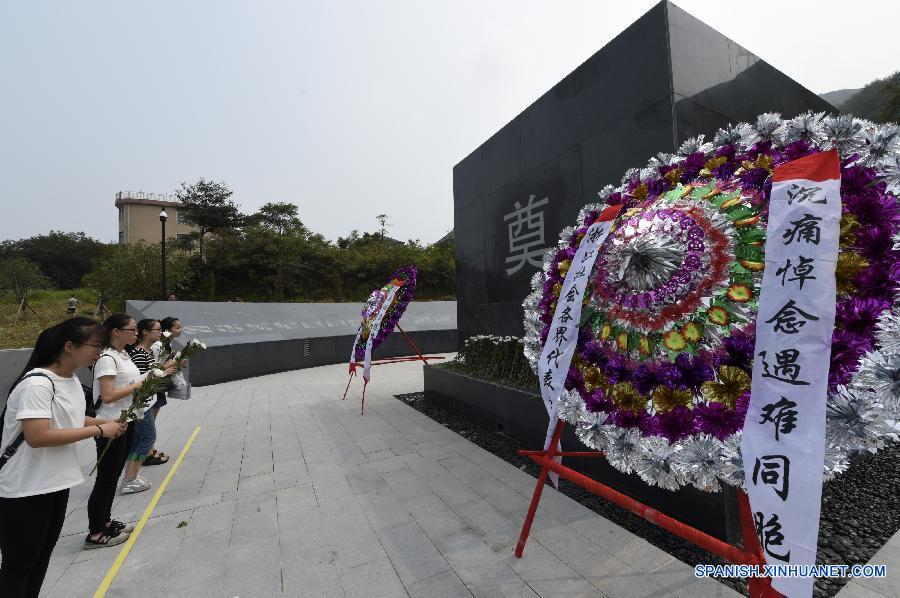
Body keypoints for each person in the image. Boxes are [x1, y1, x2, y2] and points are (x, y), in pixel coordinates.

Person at [0, 318, 127, 596]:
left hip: (55, 482)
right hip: (25, 488)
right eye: (96, 345)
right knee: (18, 566)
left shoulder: (70, 380)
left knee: (40, 559)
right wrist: (98, 430)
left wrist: (102, 422)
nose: (100, 352)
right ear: (69, 346)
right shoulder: (37, 384)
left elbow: (69, 418)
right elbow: (37, 436)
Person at [86, 314, 173, 546]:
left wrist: (158, 372)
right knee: (106, 479)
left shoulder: (123, 354)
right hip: (110, 423)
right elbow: (108, 395)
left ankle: (106, 521)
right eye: (132, 330)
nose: (136, 333)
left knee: (113, 476)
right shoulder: (107, 358)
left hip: (127, 419)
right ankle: (96, 531)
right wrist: (138, 385)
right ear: (116, 331)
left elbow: (134, 382)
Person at [123, 320, 165, 485]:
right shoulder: (139, 354)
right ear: (146, 332)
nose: (160, 332)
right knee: (147, 438)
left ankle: (130, 476)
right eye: (157, 329)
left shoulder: (144, 351)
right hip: (141, 403)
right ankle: (130, 478)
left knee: (139, 439)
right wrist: (163, 372)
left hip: (145, 401)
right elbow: (141, 381)